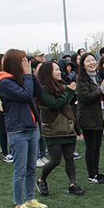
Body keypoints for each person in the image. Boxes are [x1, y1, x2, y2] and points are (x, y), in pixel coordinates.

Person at [0, 49, 48, 208]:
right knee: (20, 170)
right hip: (18, 129)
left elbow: (37, 92)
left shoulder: (21, 78)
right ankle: (19, 204)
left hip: (31, 127)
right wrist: (27, 75)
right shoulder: (5, 81)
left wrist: (30, 74)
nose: (26, 63)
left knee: (31, 167)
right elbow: (25, 95)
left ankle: (30, 199)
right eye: (23, 60)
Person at [35, 61, 84, 196]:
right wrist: (69, 91)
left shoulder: (61, 85)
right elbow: (55, 104)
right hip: (53, 130)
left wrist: (72, 92)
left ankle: (72, 184)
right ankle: (41, 179)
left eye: (59, 69)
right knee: (55, 160)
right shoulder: (43, 90)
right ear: (47, 72)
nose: (59, 72)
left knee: (69, 157)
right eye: (56, 70)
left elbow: (69, 99)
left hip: (67, 127)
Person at [76, 53, 104, 184]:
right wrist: (102, 89)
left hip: (99, 116)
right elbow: (86, 98)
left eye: (93, 60)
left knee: (97, 147)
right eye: (88, 61)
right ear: (83, 65)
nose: (92, 63)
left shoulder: (97, 76)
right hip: (87, 117)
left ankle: (96, 172)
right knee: (91, 147)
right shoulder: (81, 80)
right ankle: (92, 175)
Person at [0, 54, 12, 162]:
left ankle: (12, 151)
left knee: (11, 130)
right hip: (0, 107)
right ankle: (5, 153)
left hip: (9, 106)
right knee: (3, 131)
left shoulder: (8, 74)